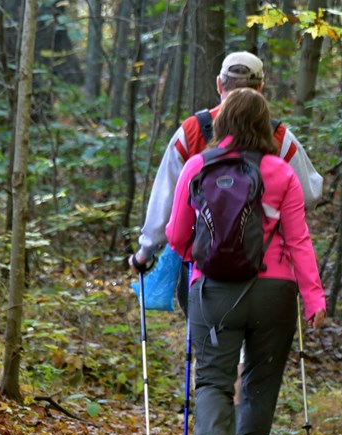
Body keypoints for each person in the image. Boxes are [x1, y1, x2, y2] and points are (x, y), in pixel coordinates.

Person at [166, 88, 327, 435]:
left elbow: (177, 235)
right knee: (260, 382)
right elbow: (299, 240)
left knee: (214, 379)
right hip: (275, 292)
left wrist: (196, 262)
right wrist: (313, 298)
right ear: (264, 127)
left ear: (221, 124)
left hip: (214, 290)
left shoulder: (198, 165)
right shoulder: (281, 172)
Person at [128, 51, 323, 283]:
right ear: (261, 88)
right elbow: (309, 194)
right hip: (266, 267)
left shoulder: (191, 133)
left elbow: (165, 199)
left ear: (219, 84)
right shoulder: (279, 137)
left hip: (205, 266)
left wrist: (145, 252)